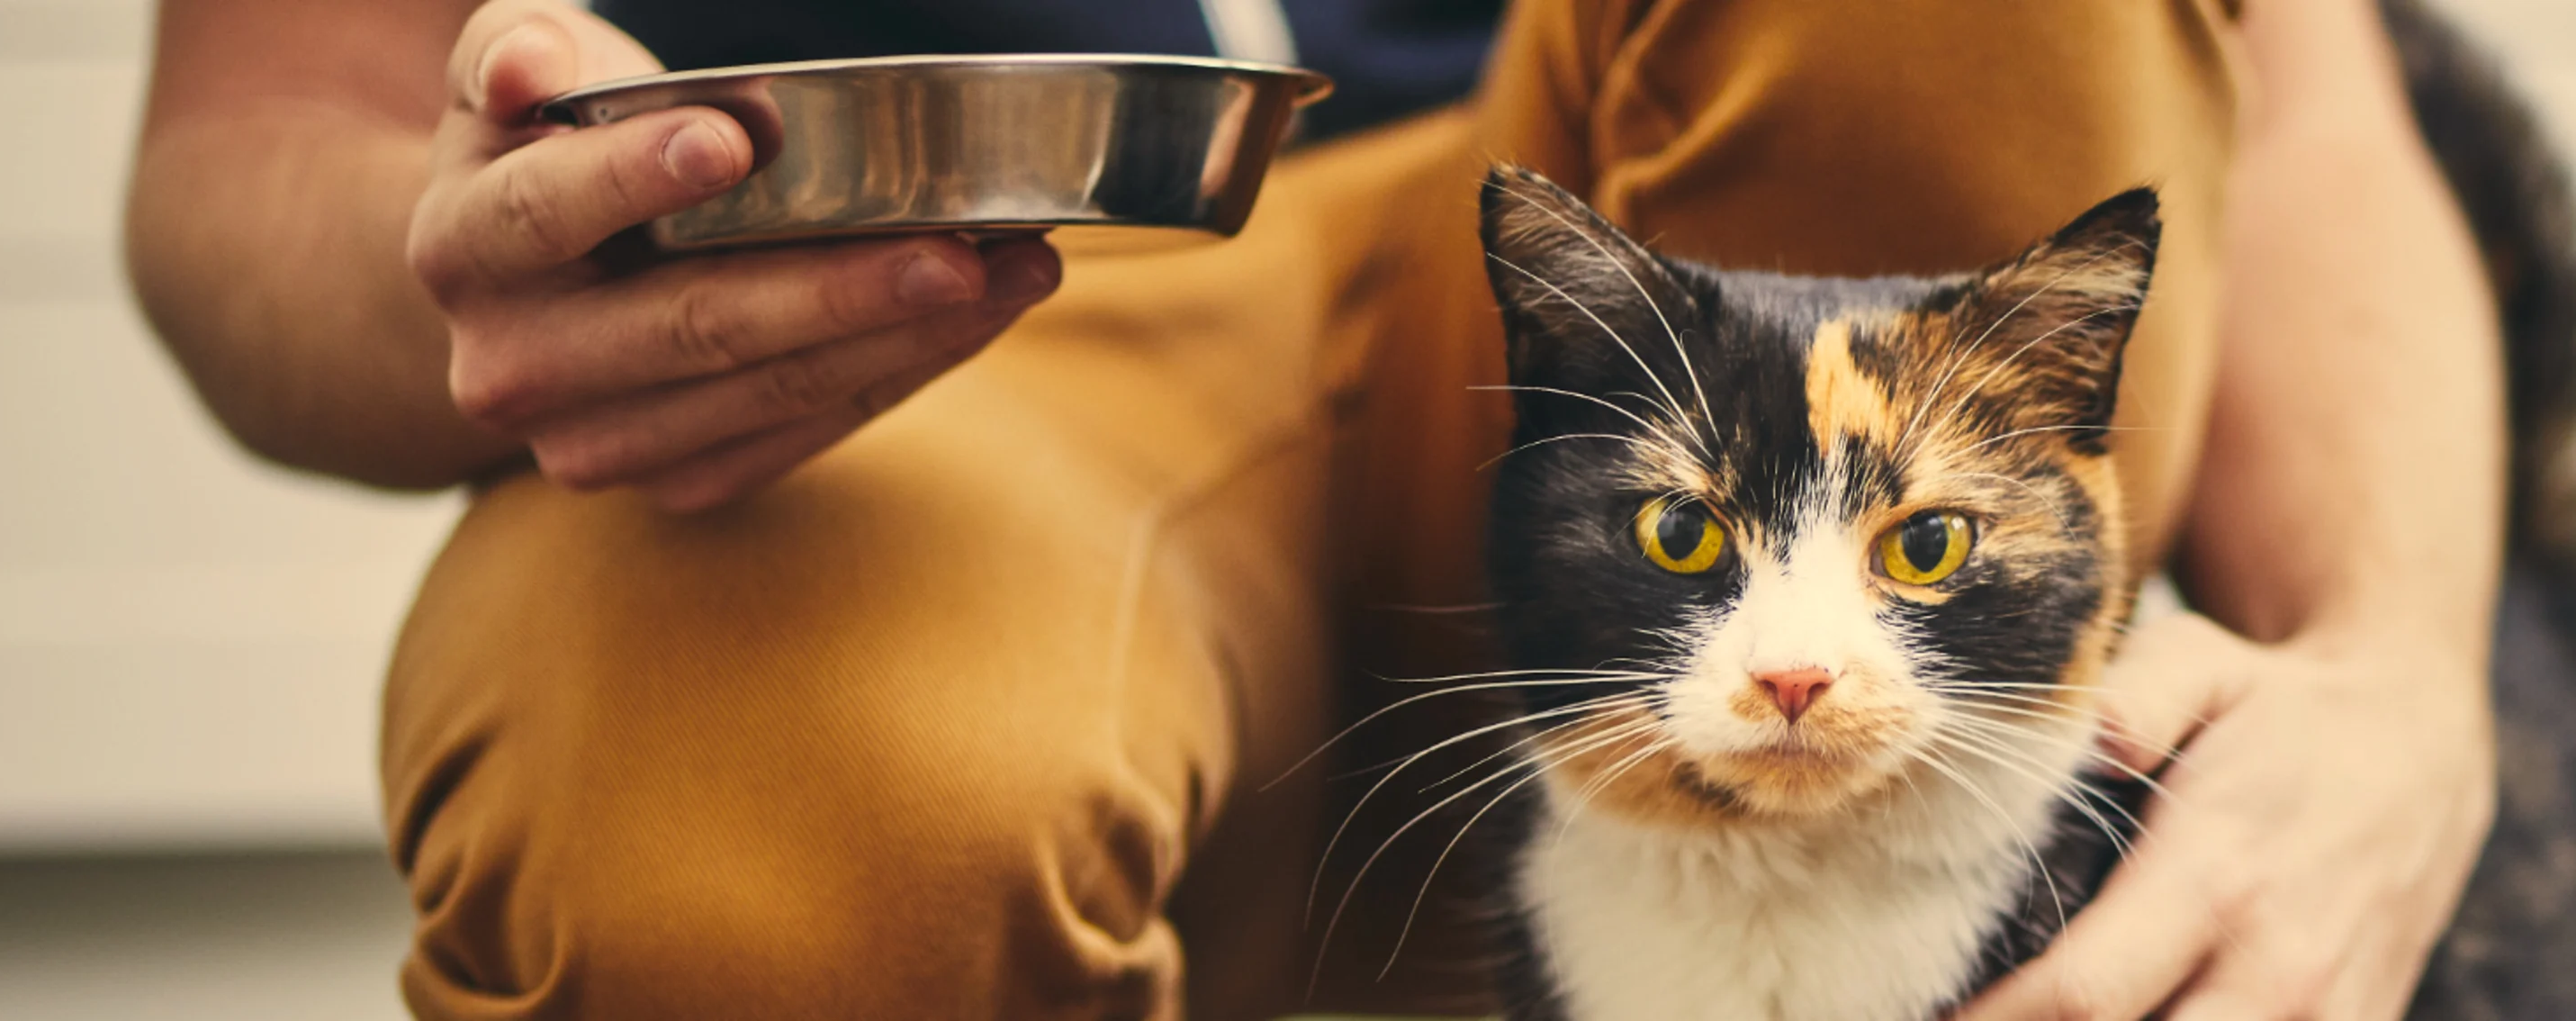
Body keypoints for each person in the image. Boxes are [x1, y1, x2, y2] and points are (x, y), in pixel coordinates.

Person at [126, 0, 2507, 1017]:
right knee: (744, 856)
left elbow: (2290, 107)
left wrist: (2407, 673)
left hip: (1695, 250)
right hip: (905, 343)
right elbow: (254, 143)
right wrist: (490, 264)